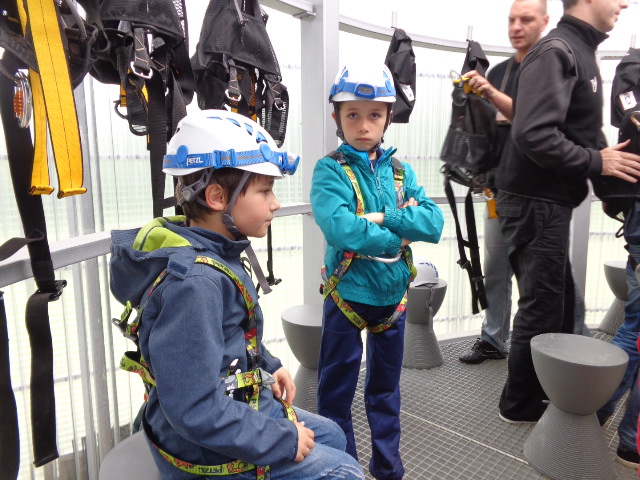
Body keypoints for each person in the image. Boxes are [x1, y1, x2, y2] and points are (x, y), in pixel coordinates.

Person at [109, 110, 365, 480]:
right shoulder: (195, 285)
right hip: (198, 448)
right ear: (216, 197)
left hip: (225, 408)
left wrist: (268, 363)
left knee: (333, 436)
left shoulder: (211, 249)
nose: (275, 203)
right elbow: (194, 408)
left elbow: (229, 339)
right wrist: (281, 439)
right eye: (264, 190)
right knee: (344, 471)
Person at [494, 0, 640, 424]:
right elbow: (532, 132)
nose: (624, 3)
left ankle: (538, 394)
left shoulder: (579, 50)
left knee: (556, 307)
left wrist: (612, 189)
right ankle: (518, 405)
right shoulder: (559, 49)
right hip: (535, 201)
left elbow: (583, 134)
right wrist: (598, 164)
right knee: (542, 308)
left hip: (545, 201)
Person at [311, 63, 444, 480]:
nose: (363, 125)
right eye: (352, 114)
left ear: (388, 118)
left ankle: (388, 471)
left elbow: (434, 223)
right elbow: (340, 228)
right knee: (335, 394)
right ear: (337, 118)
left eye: (374, 115)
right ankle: (341, 471)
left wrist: (380, 217)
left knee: (386, 393)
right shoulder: (329, 170)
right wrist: (397, 231)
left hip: (393, 300)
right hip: (347, 296)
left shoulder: (400, 172)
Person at [458, 0, 550, 365]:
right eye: (512, 19)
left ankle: (538, 351)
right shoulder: (496, 72)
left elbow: (539, 123)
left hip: (541, 197)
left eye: (526, 19)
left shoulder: (550, 70)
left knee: (537, 279)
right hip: (500, 192)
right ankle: (494, 339)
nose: (517, 26)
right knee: (495, 270)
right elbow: (483, 132)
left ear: (545, 22)